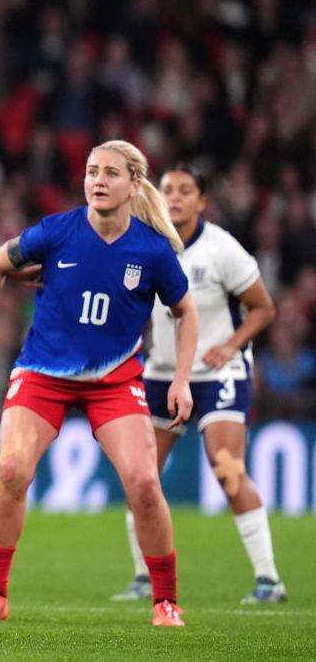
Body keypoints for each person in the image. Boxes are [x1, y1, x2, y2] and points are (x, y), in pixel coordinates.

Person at [0, 140, 198, 627]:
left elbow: (185, 312)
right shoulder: (57, 231)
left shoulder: (151, 250)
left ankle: (166, 601)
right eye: (92, 172)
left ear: (134, 185)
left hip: (114, 381)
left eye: (111, 173)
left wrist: (181, 379)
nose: (98, 181)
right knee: (9, 472)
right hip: (43, 373)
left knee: (145, 485)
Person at [111, 166, 285, 605]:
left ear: (202, 201)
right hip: (161, 372)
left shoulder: (220, 248)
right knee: (140, 475)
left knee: (227, 469)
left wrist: (231, 346)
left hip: (216, 374)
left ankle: (269, 579)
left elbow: (263, 308)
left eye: (186, 191)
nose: (175, 197)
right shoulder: (144, 245)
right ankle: (143, 577)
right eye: (167, 189)